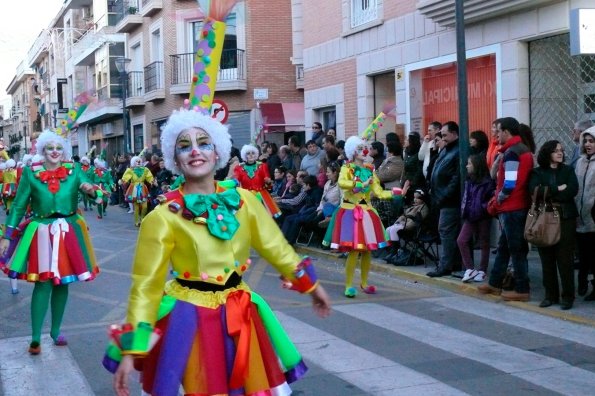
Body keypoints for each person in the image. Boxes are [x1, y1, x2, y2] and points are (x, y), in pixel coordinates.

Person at [106, 109, 331, 396]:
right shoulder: (162, 216)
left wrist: (311, 286)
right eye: (184, 146)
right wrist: (132, 350)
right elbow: (146, 285)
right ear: (175, 159)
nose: (195, 151)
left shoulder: (245, 201)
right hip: (189, 319)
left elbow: (276, 248)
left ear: (217, 153)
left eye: (204, 143)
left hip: (241, 311)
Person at [0, 130, 100, 355]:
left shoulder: (74, 171)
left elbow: (95, 193)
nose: (54, 152)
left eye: (58, 148)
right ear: (42, 151)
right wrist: (7, 236)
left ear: (63, 151)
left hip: (68, 231)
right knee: (43, 283)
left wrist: (91, 191)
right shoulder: (30, 173)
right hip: (42, 231)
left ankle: (55, 331)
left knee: (63, 282)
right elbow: (18, 205)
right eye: (49, 148)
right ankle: (36, 336)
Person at [323, 136, 405, 298]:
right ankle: (348, 285)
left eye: (364, 148)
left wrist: (397, 192)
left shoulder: (370, 170)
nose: (364, 151)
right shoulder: (347, 168)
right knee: (354, 251)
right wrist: (361, 184)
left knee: (367, 251)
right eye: (360, 149)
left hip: (366, 213)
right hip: (350, 213)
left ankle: (365, 283)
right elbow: (342, 183)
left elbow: (379, 192)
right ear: (353, 152)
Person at [478, 117, 534, 301]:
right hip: (518, 206)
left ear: (507, 132)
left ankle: (521, 289)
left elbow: (509, 184)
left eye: (498, 131)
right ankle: (494, 282)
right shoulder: (522, 150)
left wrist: (497, 200)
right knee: (505, 247)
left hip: (511, 208)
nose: (496, 135)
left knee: (515, 249)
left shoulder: (512, 153)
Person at [529, 140, 578, 310]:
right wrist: (558, 188)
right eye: (556, 150)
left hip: (566, 218)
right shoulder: (537, 172)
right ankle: (550, 295)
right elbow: (536, 192)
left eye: (562, 150)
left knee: (565, 260)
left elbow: (572, 190)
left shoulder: (568, 170)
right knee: (547, 259)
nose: (560, 153)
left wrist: (550, 192)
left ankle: (568, 297)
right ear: (547, 153)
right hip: (544, 219)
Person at [427, 121, 461, 277]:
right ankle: (450, 263)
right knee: (446, 232)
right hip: (440, 198)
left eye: (445, 134)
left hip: (449, 200)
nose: (443, 137)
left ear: (454, 134)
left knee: (446, 232)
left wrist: (445, 195)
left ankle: (446, 265)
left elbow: (456, 178)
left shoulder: (458, 150)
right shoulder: (446, 150)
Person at [457, 154, 495, 283]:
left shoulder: (487, 182)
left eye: (469, 163)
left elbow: (491, 198)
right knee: (461, 240)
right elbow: (467, 197)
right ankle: (470, 268)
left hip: (483, 215)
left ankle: (482, 270)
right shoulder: (469, 180)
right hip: (470, 215)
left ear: (476, 165)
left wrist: (483, 207)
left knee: (484, 241)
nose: (467, 166)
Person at [233, 144, 281, 218]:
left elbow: (268, 185)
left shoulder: (262, 166)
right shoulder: (239, 167)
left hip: (261, 196)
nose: (251, 155)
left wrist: (268, 182)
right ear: (245, 156)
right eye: (248, 153)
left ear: (256, 154)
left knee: (263, 218)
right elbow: (236, 179)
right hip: (246, 196)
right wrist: (234, 181)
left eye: (253, 153)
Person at [575, 128, 595, 300]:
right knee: (583, 254)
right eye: (586, 141)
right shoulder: (580, 162)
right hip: (580, 216)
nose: (588, 144)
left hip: (593, 215)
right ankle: (582, 282)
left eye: (591, 141)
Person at [120, 155, 156, 227]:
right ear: (133, 162)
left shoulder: (145, 169)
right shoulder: (130, 170)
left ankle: (142, 218)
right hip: (134, 189)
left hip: (142, 188)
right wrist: (123, 181)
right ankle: (137, 221)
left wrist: (152, 181)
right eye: (136, 161)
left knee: (144, 206)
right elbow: (125, 178)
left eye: (139, 161)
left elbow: (149, 177)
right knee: (136, 207)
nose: (138, 162)